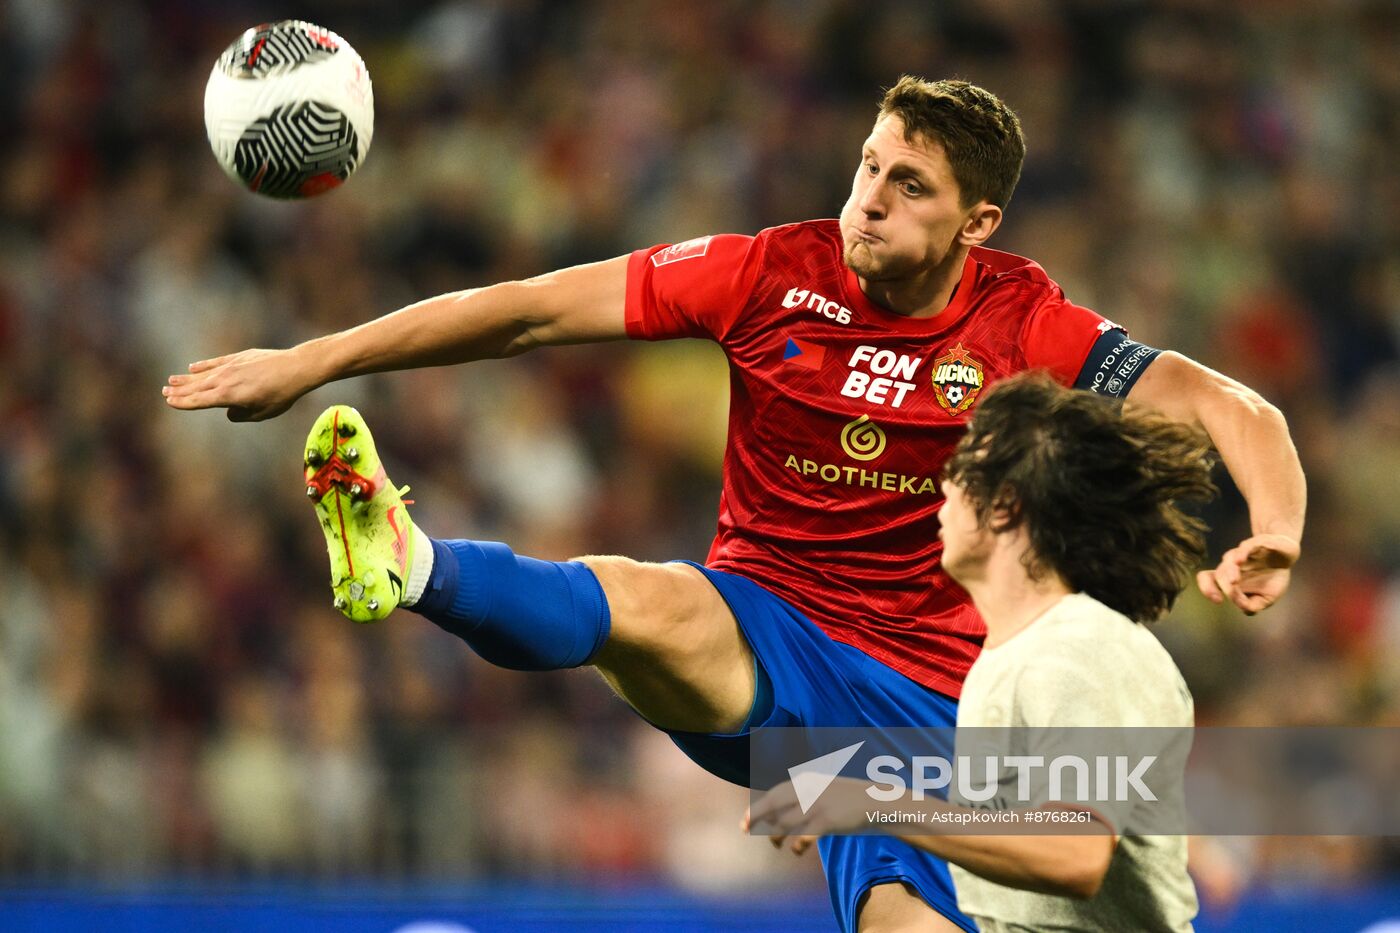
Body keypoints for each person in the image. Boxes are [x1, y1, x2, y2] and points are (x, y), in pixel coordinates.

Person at [163, 75, 1305, 932]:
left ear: (976, 225)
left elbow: (1226, 405)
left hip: (920, 713)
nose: (868, 201)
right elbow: (526, 310)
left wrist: (1274, 529)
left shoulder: (1026, 326)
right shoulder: (768, 273)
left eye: (909, 188)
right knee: (646, 601)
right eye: (866, 167)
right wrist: (315, 357)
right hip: (765, 627)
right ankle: (410, 567)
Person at [748, 372, 1215, 932]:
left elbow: (1075, 852)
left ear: (1004, 508)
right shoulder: (1010, 660)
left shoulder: (1080, 647)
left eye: (963, 469)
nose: (941, 486)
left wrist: (875, 804)